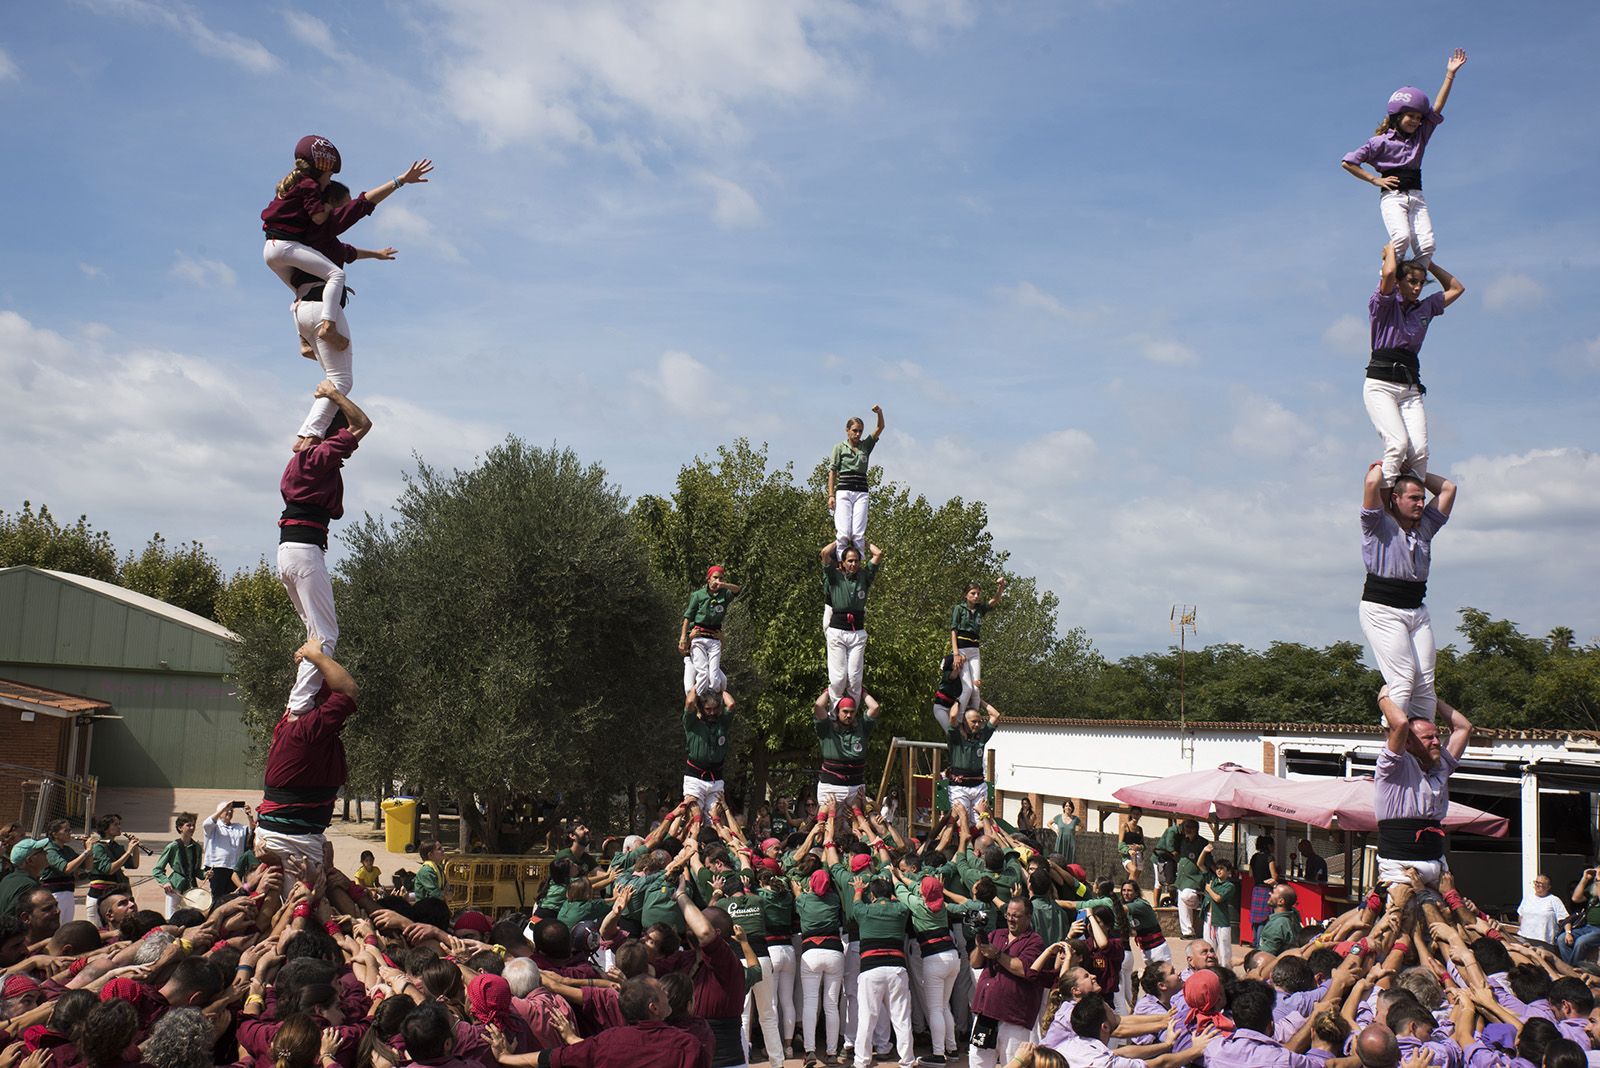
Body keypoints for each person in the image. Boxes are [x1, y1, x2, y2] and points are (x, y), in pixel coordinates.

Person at [287, 161, 431, 446]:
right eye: (342, 206)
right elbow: (364, 203)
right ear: (329, 205)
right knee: (341, 381)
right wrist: (400, 180)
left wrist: (376, 254)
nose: (346, 209)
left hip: (301, 310)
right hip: (321, 309)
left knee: (335, 375)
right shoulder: (326, 224)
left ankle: (306, 435)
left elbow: (348, 251)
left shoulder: (311, 238)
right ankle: (311, 435)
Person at [278, 382, 373, 716]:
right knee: (326, 635)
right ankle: (300, 707)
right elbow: (363, 424)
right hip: (304, 550)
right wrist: (333, 395)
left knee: (314, 634)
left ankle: (304, 695)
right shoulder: (317, 457)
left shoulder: (303, 461)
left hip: (290, 549)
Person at [1340, 50, 1467, 267]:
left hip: (1416, 195)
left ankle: (1410, 287)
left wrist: (1450, 74)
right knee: (1401, 238)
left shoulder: (1421, 136)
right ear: (1398, 117)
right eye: (1411, 116)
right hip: (1393, 197)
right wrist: (1375, 180)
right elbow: (1348, 162)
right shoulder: (1380, 142)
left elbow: (1437, 108)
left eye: (1419, 118)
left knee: (1427, 246)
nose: (1416, 121)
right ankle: (1386, 284)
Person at [1360, 244, 1466, 491]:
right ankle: (1384, 507)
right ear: (1399, 282)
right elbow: (1387, 275)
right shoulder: (1384, 304)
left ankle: (1409, 513)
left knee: (1419, 453)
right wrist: (1390, 254)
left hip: (1410, 387)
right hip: (1381, 385)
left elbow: (1457, 289)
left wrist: (1428, 264)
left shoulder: (1425, 307)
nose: (1417, 287)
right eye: (1411, 281)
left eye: (1421, 283)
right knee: (1397, 445)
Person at [1359, 464, 1457, 724]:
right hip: (1383, 608)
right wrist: (1388, 463)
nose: (1421, 503)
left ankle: (1421, 743)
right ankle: (1392, 738)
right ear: (1395, 498)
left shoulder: (1424, 527)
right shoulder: (1377, 524)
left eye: (1423, 498)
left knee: (1425, 683)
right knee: (1402, 678)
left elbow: (1448, 488)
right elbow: (1372, 484)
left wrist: (1416, 473)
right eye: (1414, 497)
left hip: (1416, 610)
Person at [255, 634, 360, 869]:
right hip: (294, 841)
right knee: (303, 900)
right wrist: (317, 656)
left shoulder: (295, 726)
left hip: (293, 837)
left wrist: (313, 663)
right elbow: (347, 691)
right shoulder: (305, 729)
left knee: (291, 899)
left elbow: (334, 691)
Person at [1374, 687, 1470, 886]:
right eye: (1428, 738)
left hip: (1436, 862)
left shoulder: (1441, 765)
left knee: (1461, 916)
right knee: (1395, 914)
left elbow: (1463, 728)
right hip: (1399, 865)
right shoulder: (1392, 766)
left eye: (1437, 736)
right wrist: (1383, 698)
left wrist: (1431, 697)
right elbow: (1400, 724)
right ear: (1407, 743)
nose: (1436, 742)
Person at [969, 897, 1050, 1068]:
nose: (1011, 919)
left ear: (1029, 916)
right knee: (977, 1063)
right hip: (985, 1014)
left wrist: (997, 954)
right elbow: (975, 963)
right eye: (1008, 915)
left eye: (1016, 916)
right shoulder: (996, 934)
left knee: (1014, 1063)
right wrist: (980, 947)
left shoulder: (1035, 942)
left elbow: (1024, 969)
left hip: (1014, 1018)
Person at [821, 540, 882, 703]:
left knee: (855, 680)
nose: (853, 564)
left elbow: (878, 554)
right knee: (839, 679)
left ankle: (851, 715)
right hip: (838, 632)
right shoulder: (835, 576)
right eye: (850, 560)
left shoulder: (864, 576)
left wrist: (861, 540)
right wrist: (840, 539)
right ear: (843, 562)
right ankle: (834, 715)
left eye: (856, 560)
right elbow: (824, 554)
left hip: (857, 633)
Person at [826, 406, 885, 560]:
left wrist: (879, 413)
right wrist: (831, 495)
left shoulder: (865, 446)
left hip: (861, 492)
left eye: (860, 431)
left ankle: (858, 564)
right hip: (844, 491)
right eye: (855, 430)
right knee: (844, 532)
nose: (858, 434)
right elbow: (832, 471)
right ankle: (841, 562)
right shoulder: (839, 448)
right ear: (847, 430)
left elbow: (880, 428)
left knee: (858, 533)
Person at [935, 699, 1002, 827]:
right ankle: (964, 845)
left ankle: (978, 845)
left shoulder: (981, 736)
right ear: (964, 722)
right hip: (959, 787)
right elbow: (953, 716)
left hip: (978, 786)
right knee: (961, 821)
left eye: (979, 721)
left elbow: (996, 715)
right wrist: (960, 699)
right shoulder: (955, 737)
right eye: (973, 722)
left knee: (981, 822)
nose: (977, 725)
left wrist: (978, 699)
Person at [678, 566, 741, 697]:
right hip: (699, 636)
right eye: (715, 577)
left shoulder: (724, 594)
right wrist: (684, 637)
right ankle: (698, 701)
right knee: (703, 673)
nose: (718, 580)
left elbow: (737, 590)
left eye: (721, 578)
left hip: (714, 637)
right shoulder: (698, 595)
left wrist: (723, 585)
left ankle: (712, 702)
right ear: (708, 579)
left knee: (715, 677)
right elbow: (688, 616)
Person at [814, 691, 880, 811]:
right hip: (831, 787)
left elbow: (875, 707)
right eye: (845, 711)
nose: (849, 715)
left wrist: (862, 692)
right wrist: (830, 690)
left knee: (859, 824)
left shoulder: (862, 727)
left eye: (852, 712)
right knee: (829, 824)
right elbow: (818, 707)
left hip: (856, 788)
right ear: (837, 712)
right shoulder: (827, 728)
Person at [950, 579, 1006, 710]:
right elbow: (953, 632)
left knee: (976, 688)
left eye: (978, 594)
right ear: (966, 595)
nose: (976, 596)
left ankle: (972, 721)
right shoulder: (959, 609)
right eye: (973, 593)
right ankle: (958, 719)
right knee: (968, 688)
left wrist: (1001, 587)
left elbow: (995, 600)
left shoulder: (980, 609)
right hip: (962, 650)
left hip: (974, 650)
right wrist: (956, 654)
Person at [682, 688, 734, 813]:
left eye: (715, 709)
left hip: (716, 779)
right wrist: (698, 684)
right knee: (694, 819)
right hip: (695, 778)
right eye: (708, 709)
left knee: (715, 820)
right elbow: (689, 702)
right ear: (701, 708)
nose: (712, 712)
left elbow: (731, 704)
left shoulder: (722, 723)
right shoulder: (692, 723)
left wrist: (720, 688)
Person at [84, 814, 141, 921]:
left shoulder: (115, 846)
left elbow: (134, 865)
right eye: (115, 824)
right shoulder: (98, 847)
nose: (119, 827)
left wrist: (135, 848)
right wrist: (128, 852)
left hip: (114, 896)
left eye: (119, 824)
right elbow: (109, 869)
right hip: (98, 896)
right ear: (105, 828)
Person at [151, 813, 203, 919]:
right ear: (180, 828)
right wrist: (165, 882)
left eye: (193, 825)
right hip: (175, 888)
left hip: (191, 888)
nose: (192, 828)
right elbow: (157, 869)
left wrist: (207, 874)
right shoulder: (173, 846)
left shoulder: (197, 847)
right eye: (188, 825)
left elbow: (197, 871)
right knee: (172, 917)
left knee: (191, 919)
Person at [40, 820, 91, 923]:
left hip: (68, 893)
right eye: (66, 830)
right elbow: (67, 869)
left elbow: (88, 866)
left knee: (65, 927)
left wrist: (89, 851)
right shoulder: (50, 850)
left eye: (70, 830)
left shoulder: (68, 850)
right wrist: (86, 852)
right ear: (55, 834)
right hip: (54, 894)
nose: (70, 833)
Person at [0, 838, 49, 924]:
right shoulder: (29, 886)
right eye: (41, 851)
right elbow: (10, 918)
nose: (46, 853)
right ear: (30, 860)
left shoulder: (9, 878)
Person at [1558, 866, 1600, 965]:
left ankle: (1571, 970)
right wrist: (1584, 879)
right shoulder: (1594, 888)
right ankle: (1572, 968)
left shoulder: (1598, 887)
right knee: (1561, 939)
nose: (1596, 876)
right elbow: (1576, 898)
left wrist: (1598, 880)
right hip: (1588, 927)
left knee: (1581, 942)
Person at [1203, 857, 1238, 966]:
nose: (1218, 871)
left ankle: (1226, 972)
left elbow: (1218, 898)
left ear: (1228, 872)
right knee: (1208, 947)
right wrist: (1204, 852)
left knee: (1224, 951)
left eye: (1222, 869)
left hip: (1221, 921)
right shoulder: (1212, 880)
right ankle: (1209, 970)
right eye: (1217, 868)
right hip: (1209, 918)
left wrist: (1208, 889)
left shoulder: (1229, 886)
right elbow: (1200, 864)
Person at [1519, 874, 1570, 947]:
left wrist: (1568, 933)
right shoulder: (1528, 897)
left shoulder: (1554, 900)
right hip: (1524, 938)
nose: (1537, 885)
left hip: (1543, 942)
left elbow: (1565, 919)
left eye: (1541, 884)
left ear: (1548, 887)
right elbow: (1521, 915)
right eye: (1536, 882)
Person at [1254, 884, 1303, 956]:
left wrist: (1243, 960)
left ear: (1281, 901)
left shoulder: (1278, 925)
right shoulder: (1293, 916)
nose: (1269, 893)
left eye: (1273, 892)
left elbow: (1265, 955)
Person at [1249, 835, 1280, 933]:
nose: (1274, 847)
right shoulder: (1269, 858)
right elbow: (1274, 877)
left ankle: (1254, 941)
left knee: (1255, 918)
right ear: (1268, 846)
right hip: (1266, 890)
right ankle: (1260, 942)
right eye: (1273, 845)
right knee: (1264, 919)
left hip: (1256, 889)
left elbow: (1250, 874)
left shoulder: (1254, 857)